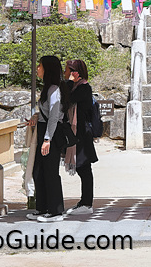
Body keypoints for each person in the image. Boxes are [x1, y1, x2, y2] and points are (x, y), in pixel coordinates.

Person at [27, 55, 68, 222]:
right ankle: (42, 207)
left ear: (47, 69)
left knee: (51, 172)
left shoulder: (54, 90)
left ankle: (56, 210)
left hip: (50, 133)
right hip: (44, 131)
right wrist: (36, 117)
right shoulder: (48, 89)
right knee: (39, 170)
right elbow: (46, 114)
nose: (37, 68)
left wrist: (47, 139)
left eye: (40, 65)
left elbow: (54, 117)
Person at [63, 59, 98, 215]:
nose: (65, 73)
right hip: (77, 133)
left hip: (82, 133)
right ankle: (84, 201)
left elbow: (68, 99)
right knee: (81, 168)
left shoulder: (83, 88)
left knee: (84, 168)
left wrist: (69, 83)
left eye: (68, 70)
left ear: (75, 72)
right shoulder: (78, 87)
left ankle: (87, 203)